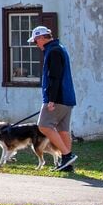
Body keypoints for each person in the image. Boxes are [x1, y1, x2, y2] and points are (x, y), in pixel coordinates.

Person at [29, 25, 77, 171]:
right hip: (67, 97)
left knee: (43, 125)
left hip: (58, 97)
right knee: (63, 130)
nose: (36, 44)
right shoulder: (59, 47)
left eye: (36, 41)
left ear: (42, 38)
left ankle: (67, 155)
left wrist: (51, 99)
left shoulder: (53, 51)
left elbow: (54, 77)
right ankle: (67, 165)